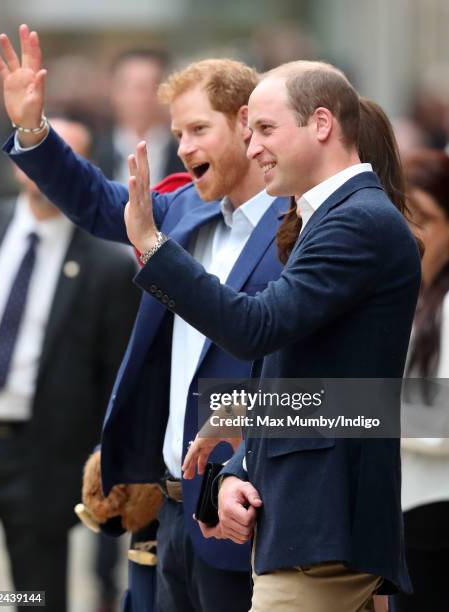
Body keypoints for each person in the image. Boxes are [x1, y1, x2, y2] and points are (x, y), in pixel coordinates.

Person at [0, 24, 287, 612]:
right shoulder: (179, 210)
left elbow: (318, 381)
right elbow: (98, 201)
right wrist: (32, 128)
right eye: (177, 132)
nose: (182, 146)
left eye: (199, 129)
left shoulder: (297, 228)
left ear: (248, 128)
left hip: (242, 514)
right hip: (165, 509)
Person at [121, 61, 421, 611]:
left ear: (322, 123)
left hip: (322, 529)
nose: (253, 146)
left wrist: (154, 246)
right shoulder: (332, 217)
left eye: (264, 128)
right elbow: (321, 380)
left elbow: (255, 328)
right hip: (304, 528)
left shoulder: (355, 220)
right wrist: (240, 453)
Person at [0, 117, 139, 612]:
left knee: (34, 595)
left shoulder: (107, 265)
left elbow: (115, 375)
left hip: (40, 458)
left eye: (64, 151)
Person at [391, 149, 449, 612]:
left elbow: (440, 415)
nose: (412, 233)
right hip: (407, 519)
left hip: (436, 519)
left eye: (425, 218)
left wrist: (327, 408)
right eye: (402, 217)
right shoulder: (411, 298)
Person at [95, 48, 185, 185]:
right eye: (132, 87)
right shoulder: (93, 152)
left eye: (153, 86)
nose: (141, 97)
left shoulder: (186, 154)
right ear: (113, 91)